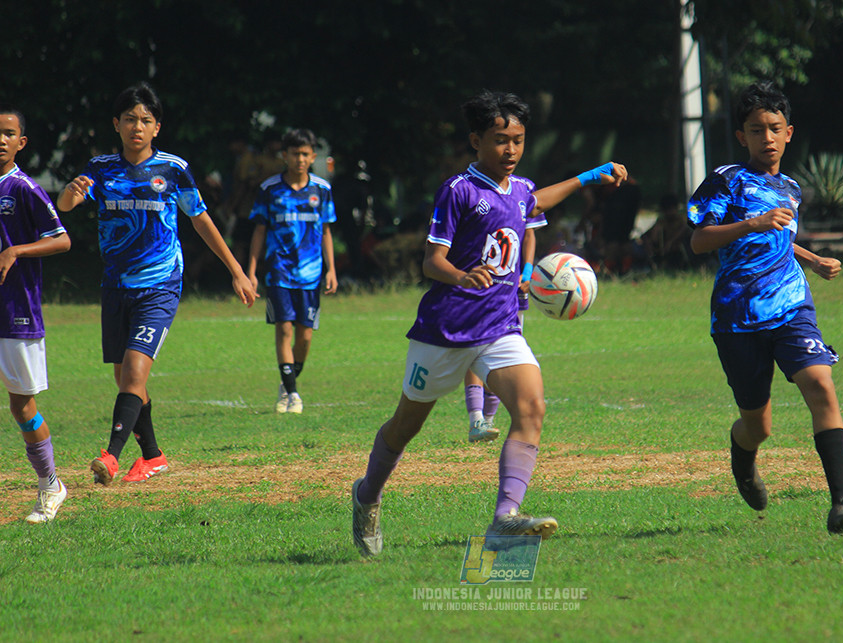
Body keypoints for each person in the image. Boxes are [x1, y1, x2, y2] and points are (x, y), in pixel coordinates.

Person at [351, 90, 627, 556]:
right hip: (445, 330)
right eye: (501, 141)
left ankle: (504, 519)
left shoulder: (519, 189)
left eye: (518, 140)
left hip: (500, 327)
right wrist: (462, 275)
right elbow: (431, 261)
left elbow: (535, 202)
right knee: (405, 426)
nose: (511, 150)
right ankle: (367, 494)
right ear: (476, 141)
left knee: (532, 409)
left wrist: (589, 177)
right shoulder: (459, 190)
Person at [56, 82, 257, 486]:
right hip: (115, 286)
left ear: (156, 127)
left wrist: (236, 270)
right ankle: (153, 456)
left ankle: (110, 457)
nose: (137, 126)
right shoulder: (100, 168)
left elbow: (200, 219)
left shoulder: (173, 169)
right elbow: (66, 206)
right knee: (127, 380)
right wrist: (69, 194)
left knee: (134, 371)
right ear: (116, 124)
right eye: (129, 119)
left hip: (160, 284)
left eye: (145, 120)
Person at [687, 81, 843, 534]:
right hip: (736, 316)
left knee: (820, 384)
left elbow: (778, 237)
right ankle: (743, 458)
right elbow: (698, 240)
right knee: (757, 425)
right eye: (756, 129)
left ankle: (842, 504)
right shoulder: (726, 181)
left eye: (774, 128)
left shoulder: (790, 187)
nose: (766, 137)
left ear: (788, 133)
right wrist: (751, 222)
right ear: (742, 136)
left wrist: (811, 259)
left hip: (790, 305)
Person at [0, 107, 71, 522]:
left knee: (22, 406)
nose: (1, 139)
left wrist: (16, 249)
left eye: (8, 133)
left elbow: (61, 240)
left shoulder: (23, 188)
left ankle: (51, 485)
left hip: (16, 311)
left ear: (21, 142)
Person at [247, 129, 338, 413]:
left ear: (312, 157)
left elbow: (325, 231)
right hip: (279, 273)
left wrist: (331, 269)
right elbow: (259, 231)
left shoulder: (321, 189)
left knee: (305, 337)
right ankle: (293, 394)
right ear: (284, 156)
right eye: (294, 153)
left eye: (305, 154)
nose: (300, 159)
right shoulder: (270, 189)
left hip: (311, 276)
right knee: (284, 330)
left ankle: (287, 383)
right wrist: (250, 271)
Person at [464, 213, 545, 443]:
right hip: (482, 283)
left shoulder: (525, 189)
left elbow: (529, 234)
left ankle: (488, 420)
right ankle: (476, 418)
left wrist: (527, 272)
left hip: (513, 287)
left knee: (502, 352)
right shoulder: (471, 191)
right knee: (475, 347)